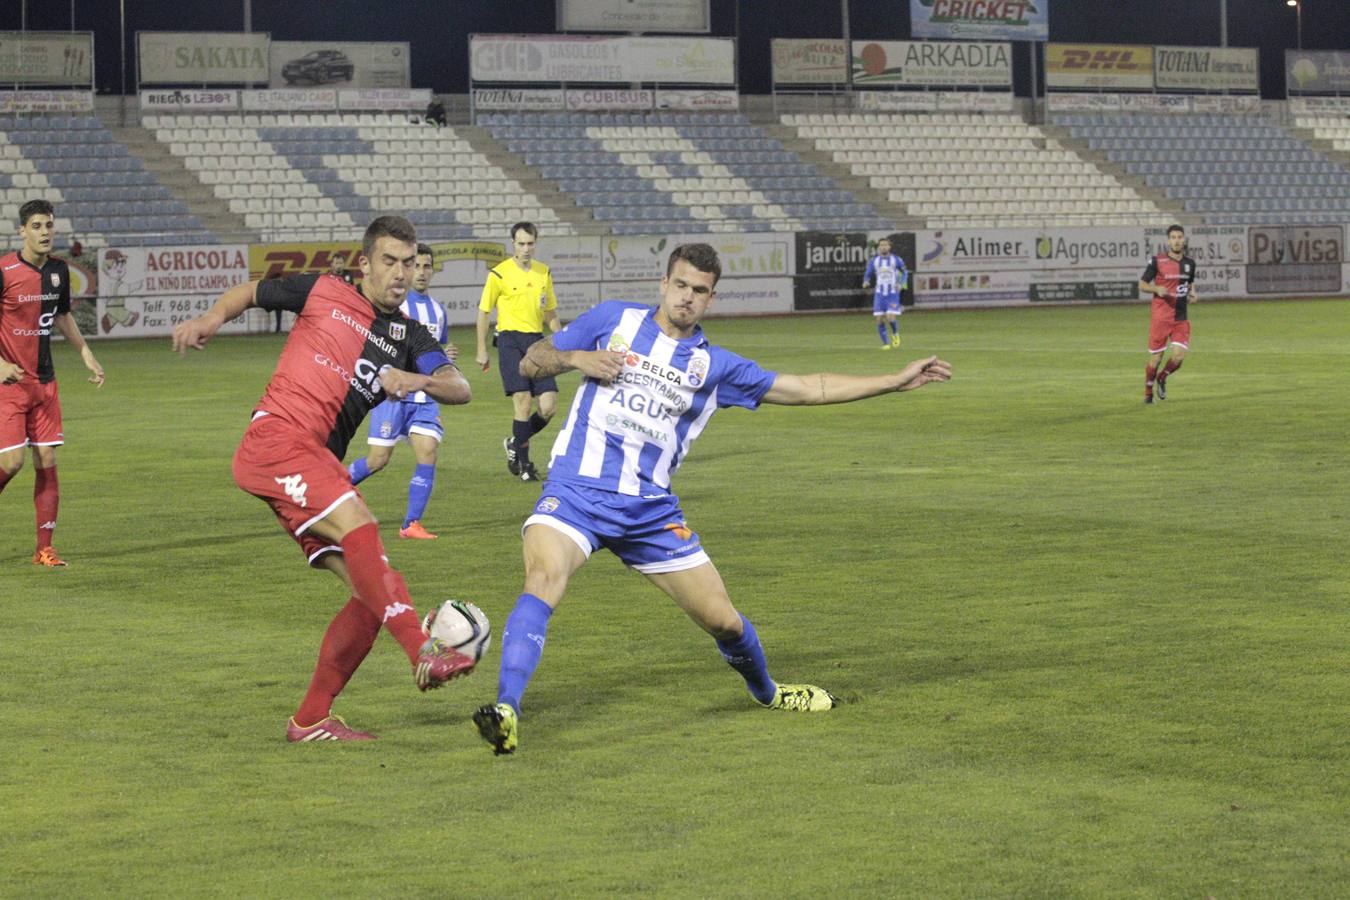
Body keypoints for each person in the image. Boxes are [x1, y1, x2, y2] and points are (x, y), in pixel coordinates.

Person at [471, 242, 952, 755]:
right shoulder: (614, 319)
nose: (687, 298)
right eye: (680, 285)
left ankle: (769, 693)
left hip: (649, 513)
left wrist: (894, 382)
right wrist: (576, 357)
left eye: (699, 291)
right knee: (544, 578)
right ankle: (507, 708)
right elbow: (531, 360)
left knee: (724, 620)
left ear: (711, 298)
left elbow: (810, 387)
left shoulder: (714, 366)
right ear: (663, 284)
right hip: (576, 493)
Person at [172, 216, 476, 742]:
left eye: (409, 262)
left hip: (315, 462)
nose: (401, 273)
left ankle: (310, 719)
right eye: (389, 261)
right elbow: (251, 292)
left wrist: (419, 378)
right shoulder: (322, 289)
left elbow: (461, 387)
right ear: (365, 263)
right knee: (363, 526)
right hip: (277, 439)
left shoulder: (408, 335)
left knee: (370, 592)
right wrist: (210, 318)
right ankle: (422, 650)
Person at [0, 199, 106, 567]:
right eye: (37, 226)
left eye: (49, 225)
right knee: (12, 463)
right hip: (10, 385)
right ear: (22, 231)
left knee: (46, 457)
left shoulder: (59, 271)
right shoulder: (5, 270)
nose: (45, 232)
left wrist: (85, 353)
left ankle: (45, 548)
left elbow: (62, 317)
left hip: (45, 384)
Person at [346, 243, 454, 540]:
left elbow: (431, 350)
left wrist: (445, 358)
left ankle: (411, 524)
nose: (421, 272)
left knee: (428, 451)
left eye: (426, 266)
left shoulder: (438, 311)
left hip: (425, 397)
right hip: (393, 395)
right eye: (415, 265)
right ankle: (335, 485)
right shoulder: (396, 306)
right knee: (378, 460)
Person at [475, 221, 561, 482]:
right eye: (521, 243)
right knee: (522, 401)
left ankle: (515, 442)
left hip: (537, 342)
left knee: (548, 407)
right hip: (510, 340)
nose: (526, 248)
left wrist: (562, 340)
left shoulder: (543, 273)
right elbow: (484, 312)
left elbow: (550, 313)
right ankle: (525, 465)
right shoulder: (499, 274)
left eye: (530, 243)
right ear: (513, 243)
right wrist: (481, 348)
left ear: (536, 242)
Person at [1139, 224, 1197, 404]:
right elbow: (1142, 284)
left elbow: (1190, 282)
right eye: (1173, 237)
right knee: (1156, 358)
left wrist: (1193, 292)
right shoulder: (1157, 261)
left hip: (1180, 317)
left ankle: (1162, 377)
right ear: (1168, 240)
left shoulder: (1190, 263)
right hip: (1161, 318)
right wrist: (1156, 288)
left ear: (1184, 239)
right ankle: (1148, 392)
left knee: (1179, 356)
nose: (1177, 240)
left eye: (1180, 237)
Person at [862, 237, 908, 350]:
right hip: (879, 293)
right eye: (881, 245)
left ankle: (895, 333)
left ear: (889, 246)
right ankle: (886, 344)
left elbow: (905, 271)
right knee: (879, 319)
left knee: (890, 317)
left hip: (892, 292)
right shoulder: (874, 261)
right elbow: (868, 272)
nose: (883, 247)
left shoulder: (896, 259)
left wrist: (901, 283)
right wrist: (866, 280)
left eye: (885, 245)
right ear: (879, 247)